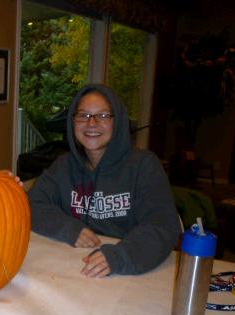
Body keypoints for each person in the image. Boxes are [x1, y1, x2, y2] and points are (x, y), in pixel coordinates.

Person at [28, 84, 180, 277]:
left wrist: (120, 256)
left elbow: (162, 226)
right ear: (72, 121)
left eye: (103, 116)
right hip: (73, 267)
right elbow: (31, 205)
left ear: (118, 122)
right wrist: (68, 229)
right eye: (83, 115)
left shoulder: (144, 166)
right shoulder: (63, 166)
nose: (91, 123)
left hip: (130, 271)